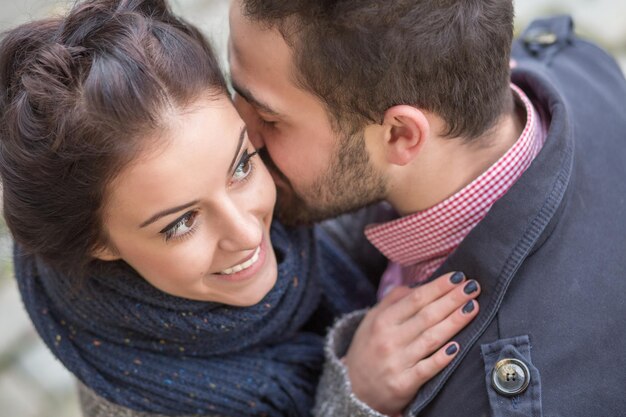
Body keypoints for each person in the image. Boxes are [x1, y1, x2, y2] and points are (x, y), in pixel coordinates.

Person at [0, 1, 482, 416]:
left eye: (241, 166)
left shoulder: (306, 190)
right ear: (99, 244)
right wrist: (353, 396)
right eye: (182, 222)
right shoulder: (130, 401)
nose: (248, 233)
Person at [228, 0, 626, 416]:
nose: (237, 133)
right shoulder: (576, 61)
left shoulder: (491, 400)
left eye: (268, 118)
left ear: (401, 135)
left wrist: (346, 404)